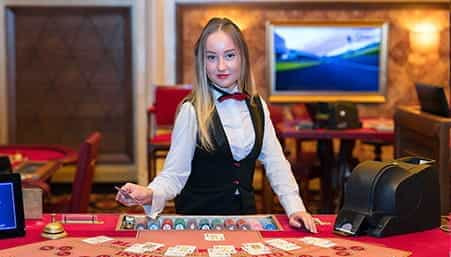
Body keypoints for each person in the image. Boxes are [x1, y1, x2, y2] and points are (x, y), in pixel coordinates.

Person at [116, 17, 317, 233]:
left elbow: (276, 163)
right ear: (202, 62)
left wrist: (295, 208)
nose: (221, 66)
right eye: (211, 57)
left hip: (244, 220)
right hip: (199, 222)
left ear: (243, 58)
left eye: (229, 56)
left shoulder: (258, 105)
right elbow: (174, 175)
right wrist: (149, 193)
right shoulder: (191, 110)